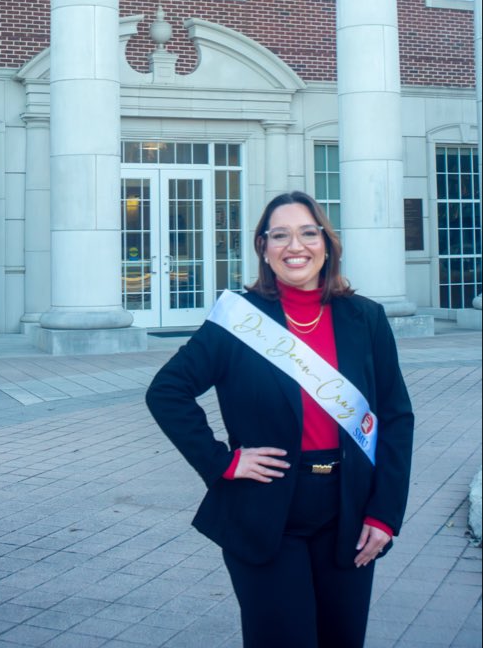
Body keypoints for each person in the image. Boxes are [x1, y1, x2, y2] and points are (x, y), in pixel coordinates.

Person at [146, 191, 414, 648]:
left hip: (348, 511)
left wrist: (385, 514)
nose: (296, 246)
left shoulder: (365, 317)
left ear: (326, 244)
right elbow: (167, 391)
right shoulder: (238, 320)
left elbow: (395, 417)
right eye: (280, 235)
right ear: (264, 248)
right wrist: (223, 462)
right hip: (266, 510)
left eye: (308, 233)